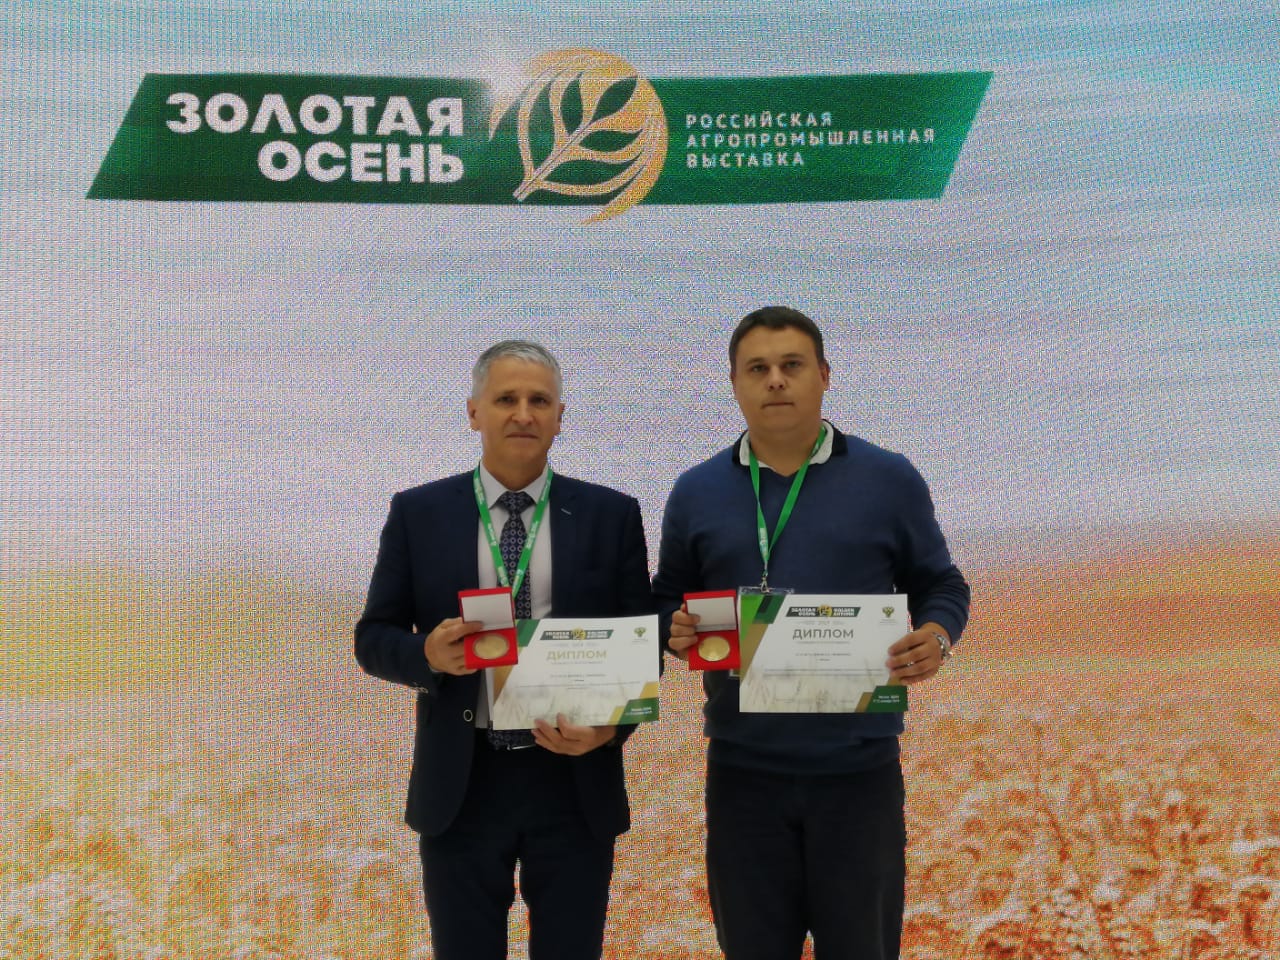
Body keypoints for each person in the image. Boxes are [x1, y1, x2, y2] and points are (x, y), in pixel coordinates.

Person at [652, 306, 970, 960]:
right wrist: (671, 628)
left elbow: (941, 582)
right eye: (757, 369)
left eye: (791, 365)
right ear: (734, 384)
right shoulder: (695, 492)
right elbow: (665, 599)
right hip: (743, 776)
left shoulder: (889, 479)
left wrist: (938, 634)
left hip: (858, 775)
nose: (775, 380)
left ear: (824, 376)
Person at [354, 339, 653, 960]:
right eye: (505, 399)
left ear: (560, 416)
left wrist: (609, 730)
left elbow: (639, 651)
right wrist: (427, 656)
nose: (523, 413)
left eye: (539, 401)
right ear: (474, 412)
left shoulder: (612, 515)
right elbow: (373, 638)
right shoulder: (418, 513)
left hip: (572, 782)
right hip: (463, 786)